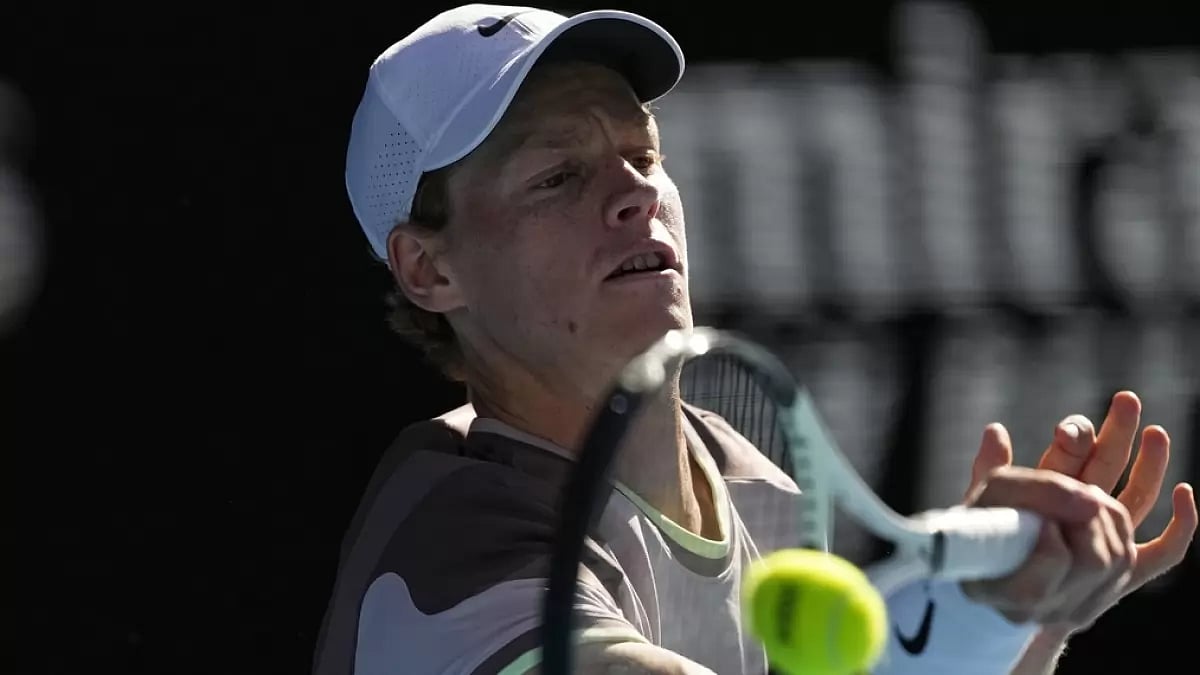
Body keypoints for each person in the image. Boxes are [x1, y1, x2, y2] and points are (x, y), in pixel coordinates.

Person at [313, 5, 1198, 674]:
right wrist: (967, 615)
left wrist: (1025, 620)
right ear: (430, 269)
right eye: (557, 176)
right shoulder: (449, 548)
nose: (635, 195)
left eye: (644, 155)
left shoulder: (756, 487)